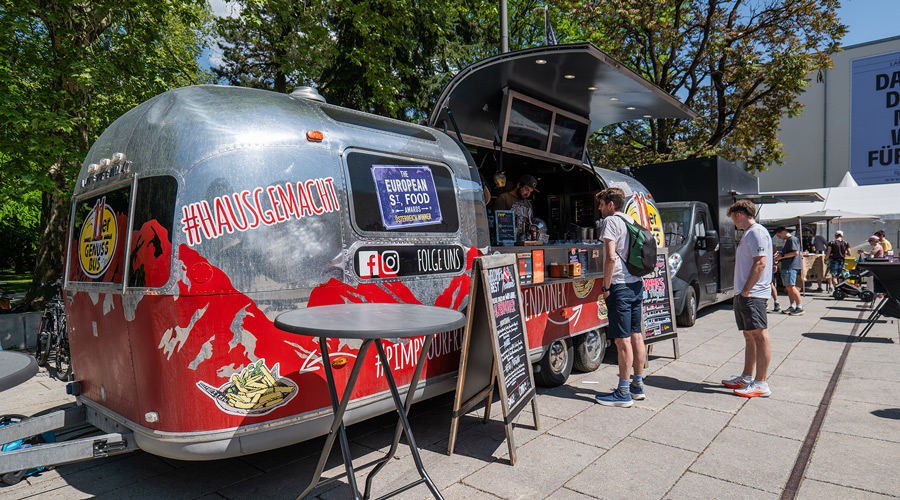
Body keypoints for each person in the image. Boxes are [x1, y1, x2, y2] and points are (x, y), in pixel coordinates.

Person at [594, 187, 646, 408]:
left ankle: (623, 393)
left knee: (621, 339)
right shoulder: (631, 221)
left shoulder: (611, 222)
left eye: (602, 203)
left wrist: (606, 286)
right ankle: (637, 386)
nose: (599, 208)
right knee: (636, 335)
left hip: (620, 287)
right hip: (636, 285)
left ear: (611, 205)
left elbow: (611, 257)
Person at [721, 199, 773, 398]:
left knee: (759, 335)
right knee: (749, 335)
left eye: (733, 218)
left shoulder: (756, 232)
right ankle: (747, 377)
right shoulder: (750, 234)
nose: (733, 223)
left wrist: (746, 291)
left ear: (739, 215)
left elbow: (760, 263)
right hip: (746, 293)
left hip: (752, 294)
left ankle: (761, 383)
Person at [773, 226, 803, 315]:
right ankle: (792, 305)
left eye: (779, 235)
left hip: (791, 266)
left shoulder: (792, 239)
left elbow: (795, 252)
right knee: (788, 287)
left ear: (783, 232)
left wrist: (782, 256)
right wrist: (781, 255)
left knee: (791, 286)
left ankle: (799, 306)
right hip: (787, 265)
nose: (779, 238)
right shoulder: (788, 240)